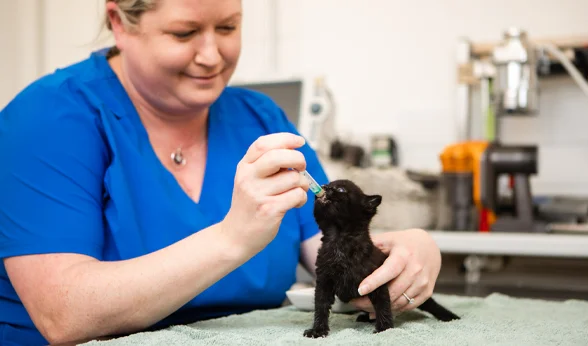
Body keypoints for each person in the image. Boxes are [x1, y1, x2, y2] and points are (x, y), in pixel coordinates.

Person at [0, 0, 443, 344]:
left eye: (228, 27)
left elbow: (334, 258)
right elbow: (63, 315)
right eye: (184, 32)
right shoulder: (48, 119)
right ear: (119, 22)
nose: (212, 56)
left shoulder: (262, 120)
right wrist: (232, 238)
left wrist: (402, 257)